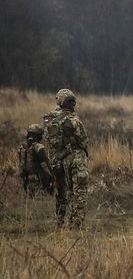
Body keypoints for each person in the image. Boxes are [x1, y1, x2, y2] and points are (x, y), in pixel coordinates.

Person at [43, 88, 89, 228]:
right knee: (78, 191)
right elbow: (83, 141)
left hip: (56, 160)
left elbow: (46, 137)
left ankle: (59, 221)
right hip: (74, 158)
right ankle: (76, 223)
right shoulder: (73, 120)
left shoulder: (50, 119)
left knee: (61, 192)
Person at [19, 123, 55, 195]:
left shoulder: (22, 148)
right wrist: (53, 176)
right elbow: (45, 165)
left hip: (26, 181)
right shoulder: (38, 147)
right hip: (38, 181)